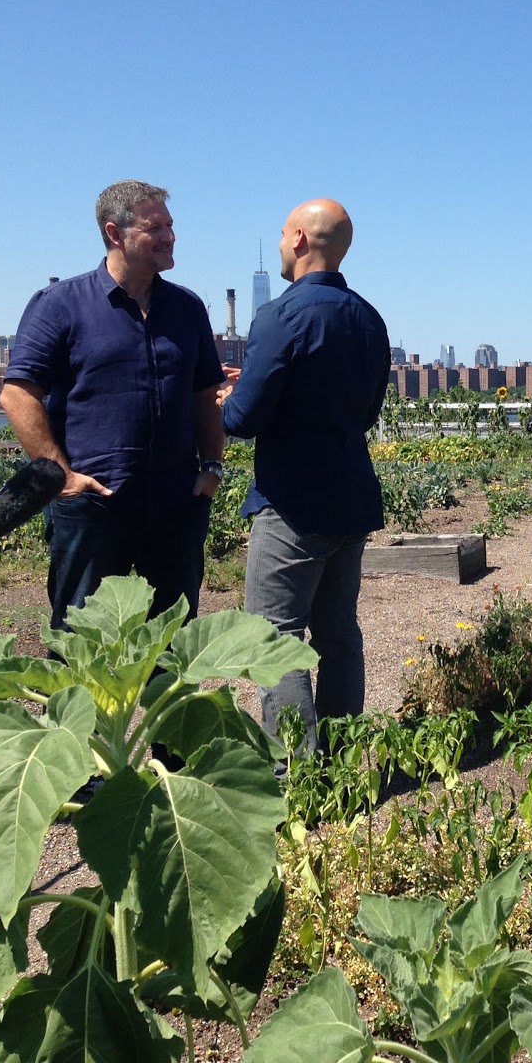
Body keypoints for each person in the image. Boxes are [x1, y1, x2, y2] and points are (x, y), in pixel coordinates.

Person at [1, 180, 225, 629]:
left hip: (177, 505)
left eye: (171, 225)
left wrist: (213, 467)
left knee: (176, 648)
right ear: (115, 233)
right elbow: (18, 392)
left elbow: (206, 394)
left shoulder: (187, 307)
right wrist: (60, 476)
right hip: (93, 507)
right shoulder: (60, 304)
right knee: (82, 645)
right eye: (154, 227)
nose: (169, 236)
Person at [219, 198, 389, 755]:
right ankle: (339, 760)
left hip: (291, 503)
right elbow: (361, 411)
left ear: (297, 240)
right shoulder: (369, 318)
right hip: (350, 495)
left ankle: (295, 773)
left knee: (274, 636)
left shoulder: (278, 316)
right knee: (338, 632)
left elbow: (245, 419)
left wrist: (228, 397)